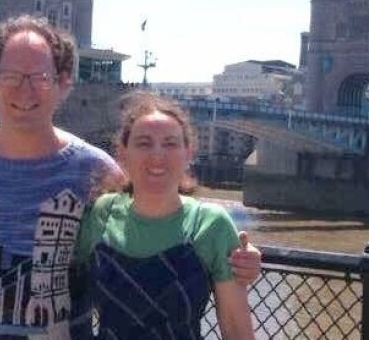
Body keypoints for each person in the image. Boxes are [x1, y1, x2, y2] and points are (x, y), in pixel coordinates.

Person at [0, 14, 260, 340]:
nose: (25, 90)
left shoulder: (95, 171)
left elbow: (155, 221)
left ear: (63, 83)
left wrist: (237, 260)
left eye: (40, 77)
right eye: (11, 75)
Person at [74, 92, 256, 340]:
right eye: (144, 143)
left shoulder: (211, 224)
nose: (157, 155)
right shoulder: (100, 214)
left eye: (170, 143)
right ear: (123, 152)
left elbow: (237, 331)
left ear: (188, 153)